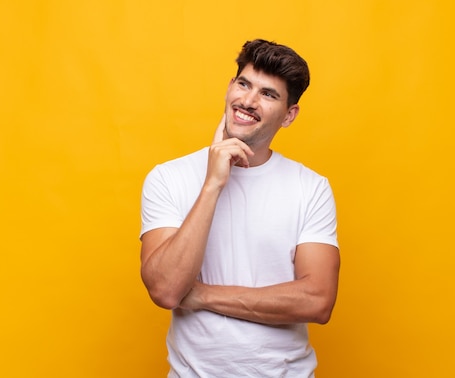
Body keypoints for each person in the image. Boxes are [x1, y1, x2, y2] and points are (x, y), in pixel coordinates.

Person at [140, 39, 340, 377]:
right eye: (243, 84)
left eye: (268, 94)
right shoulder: (168, 177)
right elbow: (165, 289)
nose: (247, 101)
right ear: (230, 87)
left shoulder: (311, 188)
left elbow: (317, 301)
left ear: (289, 115)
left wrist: (203, 295)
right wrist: (213, 184)